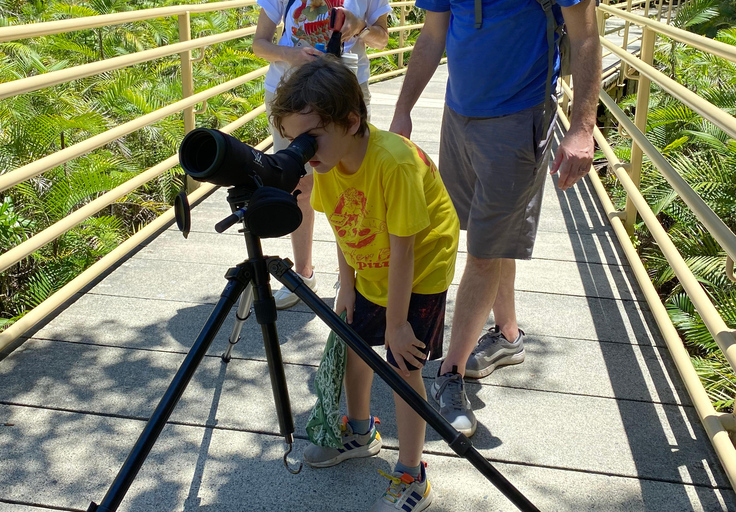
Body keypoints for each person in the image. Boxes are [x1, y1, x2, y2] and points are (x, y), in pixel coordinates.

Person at [389, 0, 600, 436]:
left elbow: (585, 35)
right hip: (458, 113)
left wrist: (582, 127)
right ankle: (507, 334)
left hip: (519, 118)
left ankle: (450, 372)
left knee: (483, 253)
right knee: (484, 235)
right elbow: (432, 35)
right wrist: (403, 110)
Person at [270, 56, 459, 512]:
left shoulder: (393, 164)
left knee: (402, 363)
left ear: (352, 121)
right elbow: (342, 226)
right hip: (370, 262)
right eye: (292, 140)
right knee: (354, 340)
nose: (300, 150)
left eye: (309, 138)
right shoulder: (325, 163)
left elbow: (405, 251)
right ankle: (359, 431)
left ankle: (413, 474)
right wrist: (347, 286)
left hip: (420, 268)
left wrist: (396, 323)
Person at [253, 0, 391, 309]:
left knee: (354, 182)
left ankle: (353, 274)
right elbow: (259, 43)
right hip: (291, 97)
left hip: (345, 95)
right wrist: (291, 55)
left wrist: (361, 27)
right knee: (299, 184)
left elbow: (383, 37)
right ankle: (303, 274)